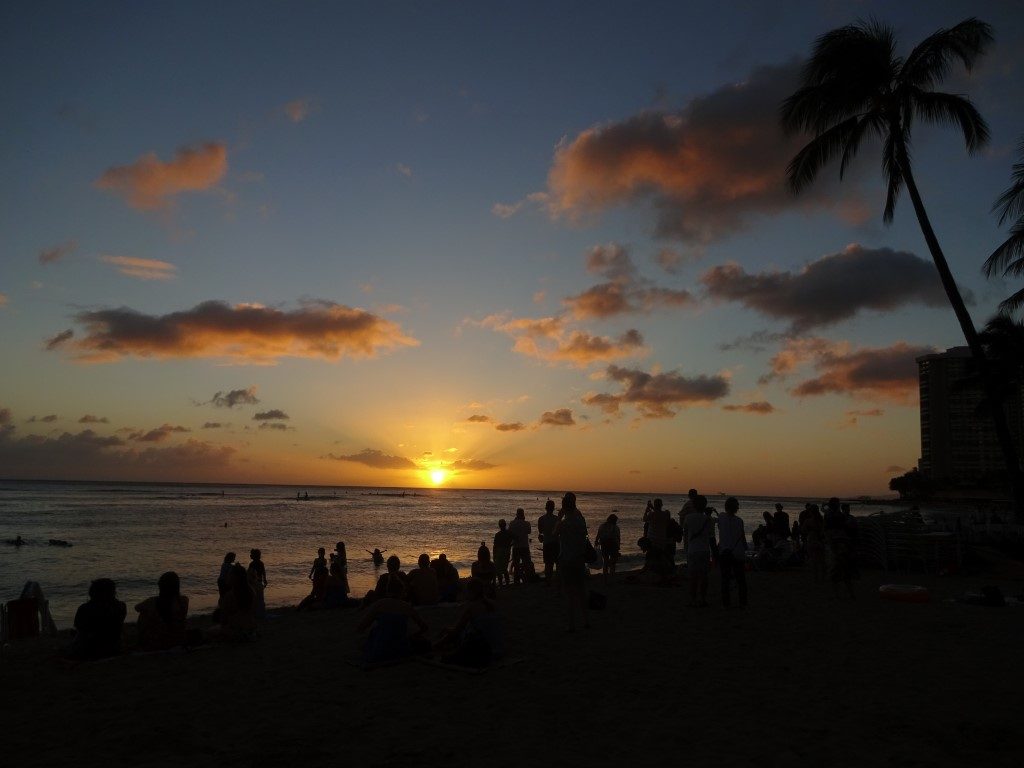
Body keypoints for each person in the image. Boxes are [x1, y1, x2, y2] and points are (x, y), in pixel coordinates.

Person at [356, 576, 430, 665]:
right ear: (402, 592)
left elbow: (361, 627)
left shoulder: (380, 604)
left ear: (387, 591)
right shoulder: (407, 607)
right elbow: (425, 627)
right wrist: (412, 635)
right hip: (401, 650)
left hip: (380, 650)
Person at [435, 577, 503, 668]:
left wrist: (446, 630)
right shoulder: (493, 604)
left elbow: (457, 630)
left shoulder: (472, 607)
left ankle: (434, 647)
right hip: (498, 648)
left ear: (472, 592)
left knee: (451, 638)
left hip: (484, 648)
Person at [553, 492, 589, 632]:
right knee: (581, 590)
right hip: (579, 558)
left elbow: (554, 534)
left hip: (567, 560)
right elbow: (584, 534)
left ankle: (572, 624)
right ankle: (586, 620)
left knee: (569, 593)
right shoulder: (581, 519)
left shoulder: (563, 523)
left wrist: (559, 517)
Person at [66, 578, 127, 660]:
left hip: (91, 649)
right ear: (113, 592)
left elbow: (81, 629)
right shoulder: (121, 606)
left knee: (74, 633)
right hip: (114, 647)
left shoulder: (84, 609)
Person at [135, 571, 189, 651]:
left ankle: (142, 638)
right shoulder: (184, 600)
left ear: (161, 585)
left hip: (158, 642)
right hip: (178, 639)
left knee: (144, 613)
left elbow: (137, 608)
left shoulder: (152, 601)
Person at [683, 495, 714, 607]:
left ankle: (693, 599)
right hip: (705, 550)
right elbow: (711, 535)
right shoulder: (709, 519)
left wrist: (686, 548)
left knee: (693, 576)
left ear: (694, 505)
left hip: (692, 550)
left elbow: (685, 533)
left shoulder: (688, 518)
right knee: (704, 576)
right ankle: (703, 599)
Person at [212, 564, 256, 641]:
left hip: (236, 629)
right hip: (250, 627)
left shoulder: (230, 595)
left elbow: (223, 619)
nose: (227, 576)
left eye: (229, 574)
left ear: (234, 578)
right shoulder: (251, 591)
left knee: (210, 632)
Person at [717, 498, 748, 608]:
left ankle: (726, 604)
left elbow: (719, 524)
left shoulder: (721, 517)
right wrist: (746, 548)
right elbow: (742, 537)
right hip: (738, 552)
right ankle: (742, 603)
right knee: (741, 579)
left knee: (725, 579)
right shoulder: (739, 521)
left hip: (725, 552)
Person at [801, 503, 826, 582]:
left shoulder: (808, 521)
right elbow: (824, 531)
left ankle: (816, 577)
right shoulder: (821, 520)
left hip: (811, 540)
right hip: (820, 541)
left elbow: (803, 530)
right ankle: (822, 577)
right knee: (821, 560)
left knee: (813, 560)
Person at [537, 499, 559, 585]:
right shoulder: (557, 519)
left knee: (548, 564)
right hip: (556, 543)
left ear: (546, 508)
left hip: (547, 543)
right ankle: (557, 580)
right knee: (557, 563)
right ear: (553, 508)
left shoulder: (541, 519)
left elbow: (540, 532)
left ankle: (548, 581)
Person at [508, 508, 533, 584]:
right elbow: (529, 531)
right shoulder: (527, 523)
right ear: (523, 514)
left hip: (516, 546)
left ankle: (516, 580)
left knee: (516, 564)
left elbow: (509, 533)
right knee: (526, 564)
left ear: (516, 514)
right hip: (525, 546)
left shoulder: (512, 523)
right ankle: (528, 579)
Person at [595, 513, 621, 582]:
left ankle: (605, 578)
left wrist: (596, 542)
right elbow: (618, 538)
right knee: (613, 563)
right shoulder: (616, 528)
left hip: (604, 545)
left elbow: (598, 535)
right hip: (613, 545)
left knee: (605, 562)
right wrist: (618, 547)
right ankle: (612, 578)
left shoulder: (602, 526)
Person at [492, 519, 514, 587]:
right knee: (504, 569)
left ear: (499, 526)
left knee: (498, 570)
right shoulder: (509, 533)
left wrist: (494, 555)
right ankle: (507, 583)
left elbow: (495, 546)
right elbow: (513, 541)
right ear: (505, 525)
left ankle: (501, 583)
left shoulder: (498, 535)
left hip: (500, 552)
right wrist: (510, 546)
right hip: (507, 551)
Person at [247, 549, 267, 619]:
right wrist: (265, 580)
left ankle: (256, 613)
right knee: (260, 598)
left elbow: (249, 574)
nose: (250, 555)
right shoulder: (261, 563)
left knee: (255, 599)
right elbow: (263, 572)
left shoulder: (252, 564)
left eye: (251, 554)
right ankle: (260, 612)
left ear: (254, 556)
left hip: (254, 583)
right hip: (259, 582)